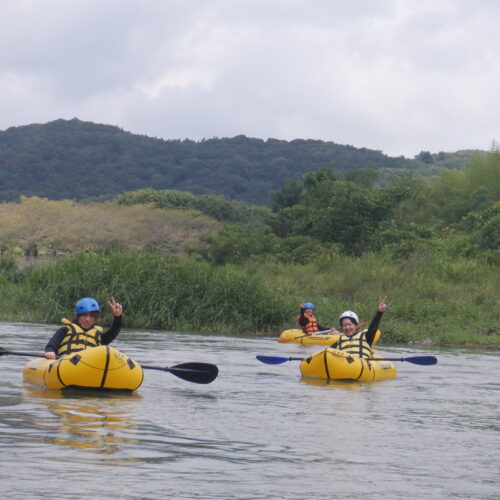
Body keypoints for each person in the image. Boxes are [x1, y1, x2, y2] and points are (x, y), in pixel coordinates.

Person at [44, 296, 123, 359]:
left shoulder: (99, 336)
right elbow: (51, 346)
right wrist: (50, 352)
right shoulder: (65, 330)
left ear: (95, 319)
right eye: (84, 315)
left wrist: (118, 317)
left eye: (91, 316)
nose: (87, 319)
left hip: (89, 368)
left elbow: (114, 332)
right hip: (66, 366)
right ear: (78, 316)